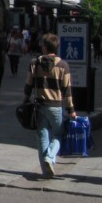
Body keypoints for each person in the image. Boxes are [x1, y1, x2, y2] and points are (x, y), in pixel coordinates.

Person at [23, 33, 76, 179]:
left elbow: (28, 84)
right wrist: (71, 110)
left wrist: (25, 99)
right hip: (56, 106)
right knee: (59, 134)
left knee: (42, 137)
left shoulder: (35, 63)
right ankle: (50, 156)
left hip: (39, 106)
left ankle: (46, 171)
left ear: (45, 47)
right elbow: (67, 90)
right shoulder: (63, 65)